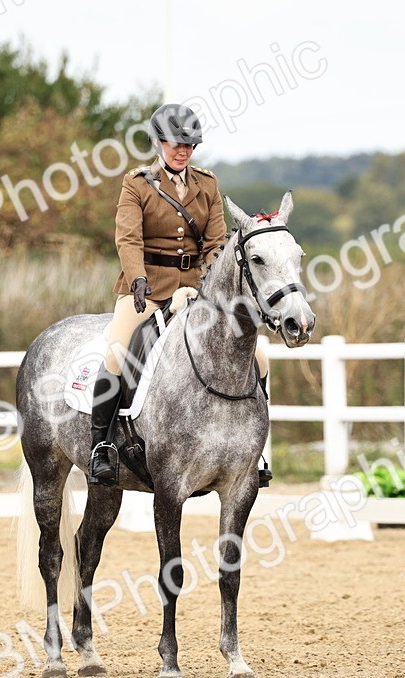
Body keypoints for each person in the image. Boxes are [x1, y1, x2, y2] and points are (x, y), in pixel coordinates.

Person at [87, 103, 270, 485]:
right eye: (175, 144)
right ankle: (101, 446)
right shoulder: (136, 184)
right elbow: (128, 237)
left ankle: (257, 451)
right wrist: (138, 279)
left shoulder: (207, 184)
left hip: (196, 291)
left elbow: (217, 243)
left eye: (189, 145)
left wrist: (208, 287)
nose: (182, 151)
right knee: (119, 351)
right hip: (147, 290)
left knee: (262, 357)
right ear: (158, 143)